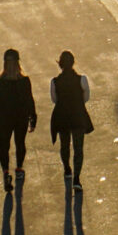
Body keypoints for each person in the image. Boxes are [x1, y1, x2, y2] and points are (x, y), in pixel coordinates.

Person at [0, 48, 37, 191]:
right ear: (18, 64)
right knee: (20, 143)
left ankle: (6, 173)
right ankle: (19, 169)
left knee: (3, 147)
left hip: (3, 120)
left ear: (4, 64)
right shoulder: (25, 81)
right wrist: (33, 118)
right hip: (20, 119)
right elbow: (30, 101)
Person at [49, 50, 94, 187]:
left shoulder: (55, 82)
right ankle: (77, 178)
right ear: (74, 63)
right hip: (78, 115)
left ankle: (67, 169)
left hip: (62, 115)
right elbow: (86, 97)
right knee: (78, 148)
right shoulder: (82, 79)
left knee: (64, 145)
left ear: (60, 64)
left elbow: (54, 99)